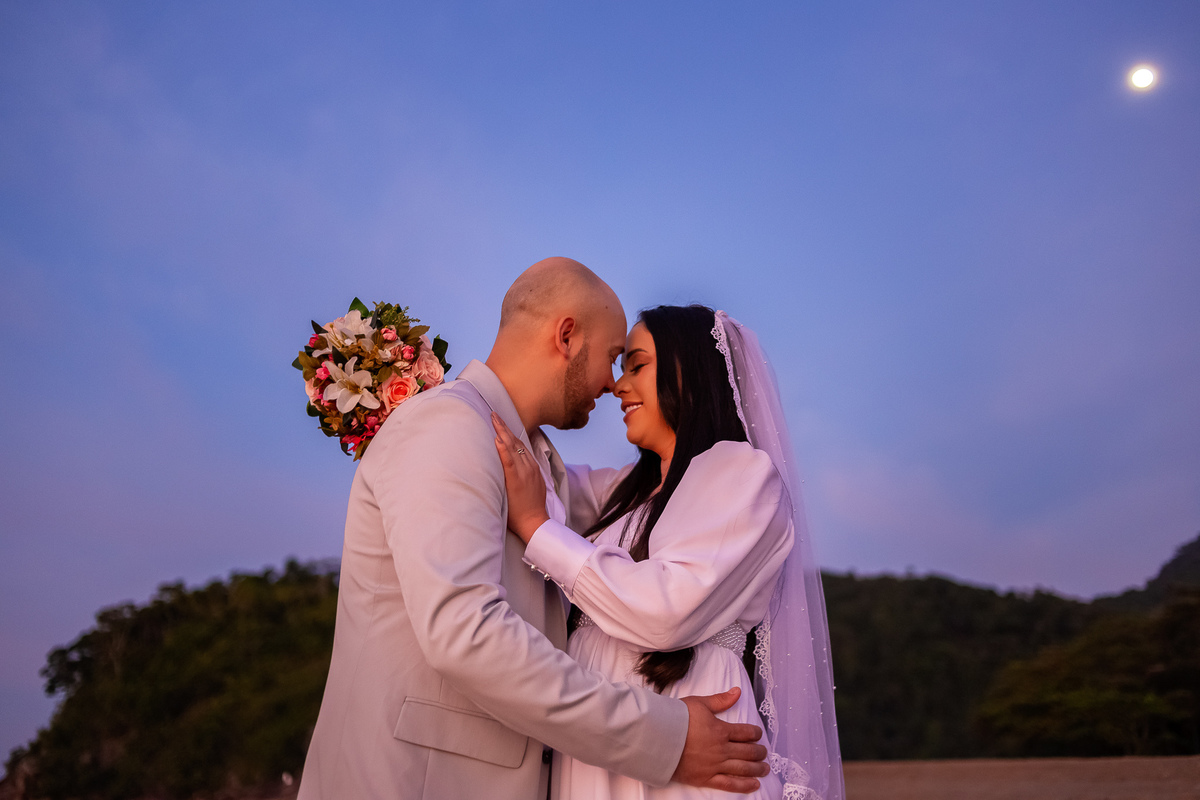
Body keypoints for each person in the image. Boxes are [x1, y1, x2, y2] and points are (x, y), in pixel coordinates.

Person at [297, 261, 770, 800]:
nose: (613, 383)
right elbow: (467, 635)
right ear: (567, 336)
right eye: (613, 357)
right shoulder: (447, 426)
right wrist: (664, 738)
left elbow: (661, 492)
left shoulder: (536, 464)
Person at [493, 305, 845, 800]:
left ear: (691, 371)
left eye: (637, 365)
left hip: (692, 745)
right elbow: (526, 469)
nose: (618, 386)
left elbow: (665, 613)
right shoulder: (622, 492)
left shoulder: (744, 475)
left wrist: (537, 528)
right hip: (606, 744)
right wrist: (417, 392)